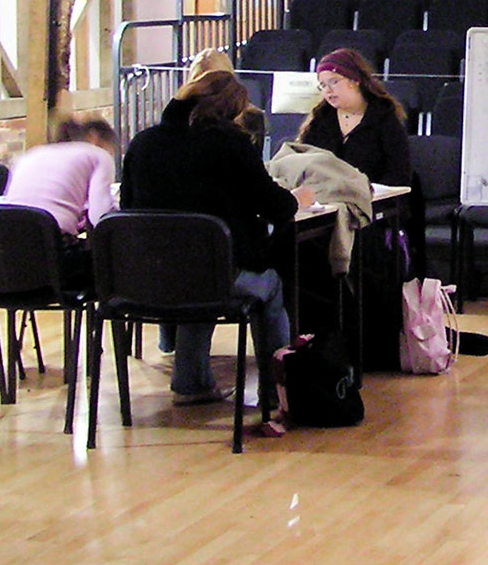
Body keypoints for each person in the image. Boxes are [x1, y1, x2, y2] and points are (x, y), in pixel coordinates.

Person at [120, 69, 305, 410]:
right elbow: (275, 205)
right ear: (232, 108)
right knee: (269, 286)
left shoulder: (143, 142)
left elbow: (128, 208)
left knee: (194, 276)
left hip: (146, 276)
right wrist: (297, 199)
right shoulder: (229, 143)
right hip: (216, 273)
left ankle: (191, 382)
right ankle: (276, 392)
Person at [0, 115, 119, 286]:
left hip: (5, 259)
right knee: (111, 266)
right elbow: (101, 216)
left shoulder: (32, 154)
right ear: (95, 138)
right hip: (54, 258)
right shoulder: (98, 155)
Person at [299, 48, 412, 187]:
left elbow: (399, 174)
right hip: (327, 200)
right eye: (322, 85)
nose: (328, 90)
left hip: (375, 200)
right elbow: (303, 166)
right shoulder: (320, 119)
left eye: (334, 82)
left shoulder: (383, 117)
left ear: (354, 80)